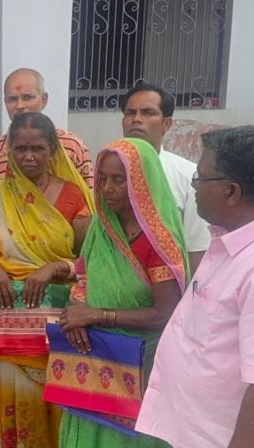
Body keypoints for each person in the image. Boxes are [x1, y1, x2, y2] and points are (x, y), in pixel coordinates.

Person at [0, 112, 94, 448]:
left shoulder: (73, 198)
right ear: (8, 150)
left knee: (49, 411)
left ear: (53, 149)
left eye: (37, 148)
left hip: (53, 331)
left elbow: (89, 262)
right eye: (20, 149)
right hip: (1, 324)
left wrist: (53, 268)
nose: (29, 156)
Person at [58, 138, 189, 447]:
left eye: (119, 180)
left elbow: (165, 313)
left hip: (140, 366)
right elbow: (84, 278)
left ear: (143, 183)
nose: (107, 188)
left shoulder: (158, 241)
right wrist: (78, 314)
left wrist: (97, 315)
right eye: (102, 178)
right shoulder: (102, 230)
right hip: (95, 356)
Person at [135, 126, 254, 448]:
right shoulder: (223, 245)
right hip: (187, 432)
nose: (193, 186)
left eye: (200, 178)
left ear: (231, 191)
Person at [120, 83, 211, 273]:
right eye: (130, 113)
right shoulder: (109, 173)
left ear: (166, 123)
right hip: (109, 289)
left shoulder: (189, 177)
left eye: (147, 113)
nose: (136, 119)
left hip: (168, 293)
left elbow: (196, 248)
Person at [0, 68, 94, 186]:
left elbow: (89, 195)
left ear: (44, 99)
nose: (19, 105)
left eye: (27, 97)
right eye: (12, 99)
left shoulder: (71, 145)